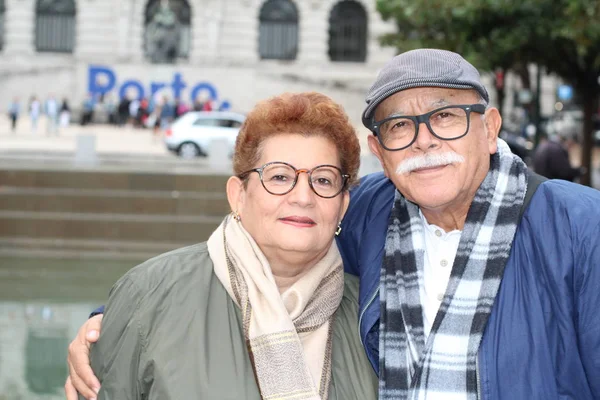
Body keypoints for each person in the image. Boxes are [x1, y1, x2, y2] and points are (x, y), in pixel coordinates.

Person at [67, 50, 600, 400]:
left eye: (445, 116)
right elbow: (258, 245)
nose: (424, 140)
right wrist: (106, 327)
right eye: (399, 126)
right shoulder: (371, 209)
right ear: (379, 151)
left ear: (489, 128)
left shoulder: (579, 227)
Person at [65, 92, 378, 400]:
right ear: (238, 195)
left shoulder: (372, 320)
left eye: (323, 180)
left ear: (342, 205)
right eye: (280, 177)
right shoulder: (148, 296)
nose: (302, 197)